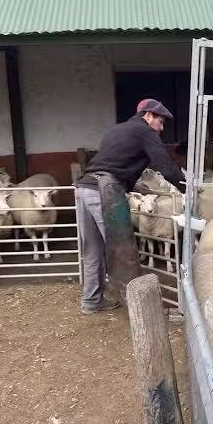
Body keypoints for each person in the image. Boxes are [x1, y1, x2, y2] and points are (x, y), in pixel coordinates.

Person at [75, 99, 185, 313]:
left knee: (93, 250)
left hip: (84, 188)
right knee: (124, 249)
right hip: (106, 190)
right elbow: (165, 165)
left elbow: (117, 161)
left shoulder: (116, 130)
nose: (161, 129)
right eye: (160, 122)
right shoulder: (145, 132)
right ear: (148, 115)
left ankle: (91, 300)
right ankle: (144, 310)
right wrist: (187, 188)